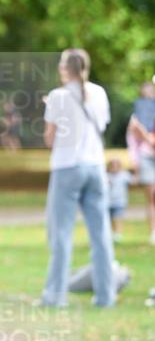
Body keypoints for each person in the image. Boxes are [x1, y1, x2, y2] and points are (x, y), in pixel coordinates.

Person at [41, 48, 114, 307]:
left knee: (61, 234)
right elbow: (102, 126)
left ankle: (55, 296)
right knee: (101, 234)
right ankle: (106, 296)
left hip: (67, 167)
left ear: (64, 69)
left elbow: (50, 139)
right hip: (95, 166)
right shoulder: (100, 93)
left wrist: (51, 110)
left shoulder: (58, 97)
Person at [126, 80, 155, 245]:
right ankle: (153, 232)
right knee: (151, 195)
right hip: (146, 157)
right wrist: (135, 162)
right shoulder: (136, 117)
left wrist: (145, 135)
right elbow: (133, 142)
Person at [106, 157, 134, 242]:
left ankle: (118, 234)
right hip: (108, 202)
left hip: (120, 201)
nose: (114, 168)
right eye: (112, 166)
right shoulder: (107, 176)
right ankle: (112, 234)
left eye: (116, 166)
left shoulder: (124, 175)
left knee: (117, 217)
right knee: (110, 219)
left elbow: (133, 181)